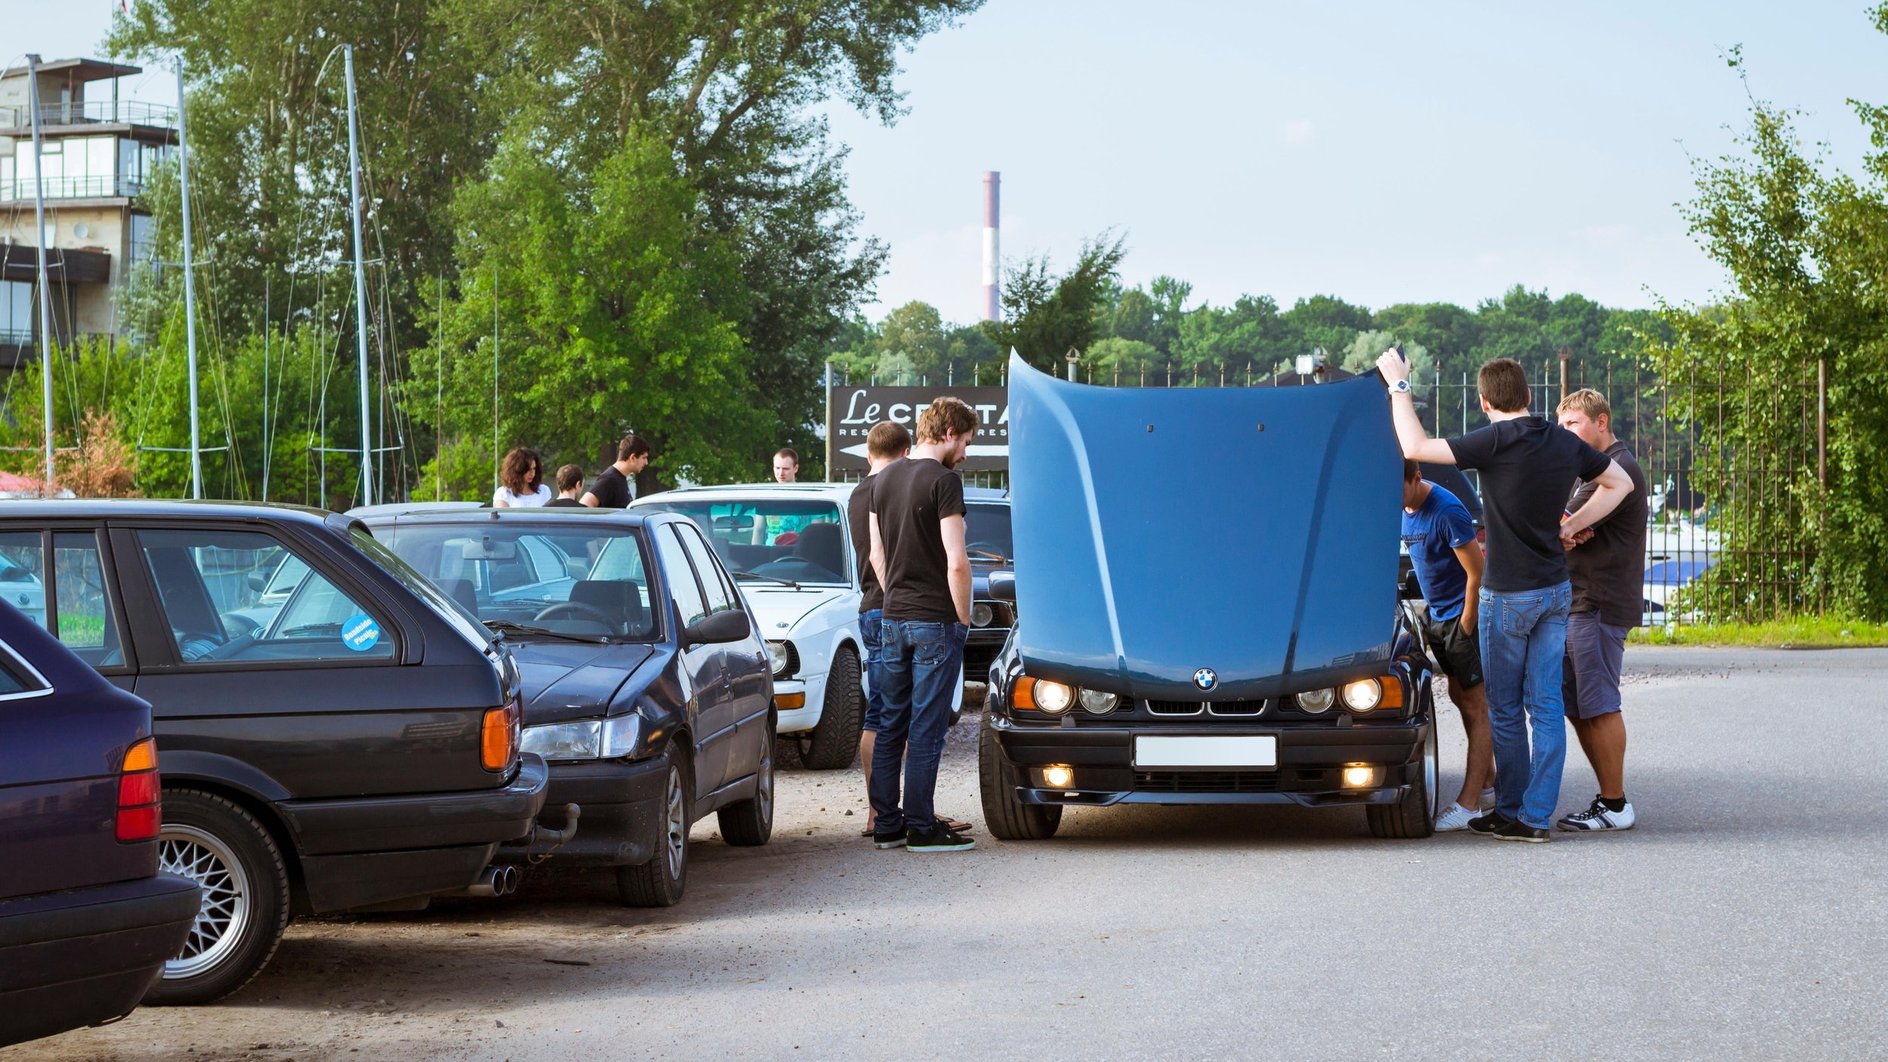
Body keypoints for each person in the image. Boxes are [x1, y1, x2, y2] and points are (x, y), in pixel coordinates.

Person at [1376, 350, 1632, 843]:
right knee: (1546, 705)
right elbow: (1618, 482)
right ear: (1531, 397)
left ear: (1484, 401)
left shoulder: (1491, 441)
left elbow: (1414, 443)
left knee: (1507, 708)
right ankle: (1535, 817)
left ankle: (1511, 809)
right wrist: (1574, 524)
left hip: (1508, 594)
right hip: (1557, 591)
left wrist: (1399, 386)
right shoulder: (1562, 440)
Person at [867, 397, 978, 853]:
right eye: (967, 442)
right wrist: (963, 619)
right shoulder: (945, 482)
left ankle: (888, 825)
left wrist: (897, 594)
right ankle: (922, 826)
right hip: (935, 618)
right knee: (926, 726)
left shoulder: (882, 478)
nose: (966, 453)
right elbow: (957, 562)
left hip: (892, 616)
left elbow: (876, 555)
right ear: (950, 431)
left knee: (891, 720)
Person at [1555, 389, 1648, 831]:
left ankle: (1615, 805)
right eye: (1562, 426)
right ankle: (1608, 799)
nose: (1565, 433)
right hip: (1581, 601)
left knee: (1599, 704)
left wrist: (1567, 526)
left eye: (1573, 424)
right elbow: (1563, 523)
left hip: (1598, 602)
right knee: (1577, 704)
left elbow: (1555, 526)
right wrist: (1570, 526)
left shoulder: (1617, 470)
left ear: (1601, 421)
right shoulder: (1589, 472)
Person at [1401, 460, 1495, 831]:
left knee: (1477, 705)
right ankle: (1488, 781)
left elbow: (1477, 571)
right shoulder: (1403, 506)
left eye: (1401, 489)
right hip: (1438, 617)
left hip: (1459, 616)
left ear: (1417, 478)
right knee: (1459, 696)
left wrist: (1466, 622)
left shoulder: (1447, 510)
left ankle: (1469, 804)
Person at [582, 434, 651, 509]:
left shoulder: (619, 478)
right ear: (632, 457)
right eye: (644, 458)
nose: (646, 462)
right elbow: (582, 507)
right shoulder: (609, 479)